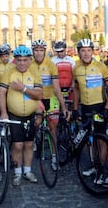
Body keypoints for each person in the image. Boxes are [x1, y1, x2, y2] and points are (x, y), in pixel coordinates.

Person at [73, 38, 108, 187]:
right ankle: (94, 164)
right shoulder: (76, 68)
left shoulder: (100, 66)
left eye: (88, 50)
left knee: (101, 140)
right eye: (83, 51)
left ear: (93, 51)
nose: (86, 54)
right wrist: (74, 108)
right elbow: (77, 89)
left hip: (99, 106)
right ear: (78, 53)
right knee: (89, 140)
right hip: (85, 107)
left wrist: (107, 107)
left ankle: (102, 169)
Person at [0, 45, 43, 186]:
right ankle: (17, 172)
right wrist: (4, 113)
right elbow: (1, 93)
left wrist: (23, 88)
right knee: (17, 145)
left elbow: (39, 94)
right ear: (15, 61)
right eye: (19, 60)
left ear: (30, 60)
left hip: (30, 114)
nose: (22, 63)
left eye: (25, 60)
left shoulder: (35, 73)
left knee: (29, 144)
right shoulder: (9, 73)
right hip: (14, 114)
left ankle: (27, 171)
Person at [30, 39, 69, 170]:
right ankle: (35, 137)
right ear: (33, 52)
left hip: (51, 98)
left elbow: (56, 88)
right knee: (37, 122)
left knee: (53, 128)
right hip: (36, 99)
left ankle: (54, 157)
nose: (39, 53)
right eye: (36, 50)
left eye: (41, 50)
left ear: (45, 51)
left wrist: (63, 107)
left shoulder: (51, 65)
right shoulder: (29, 65)